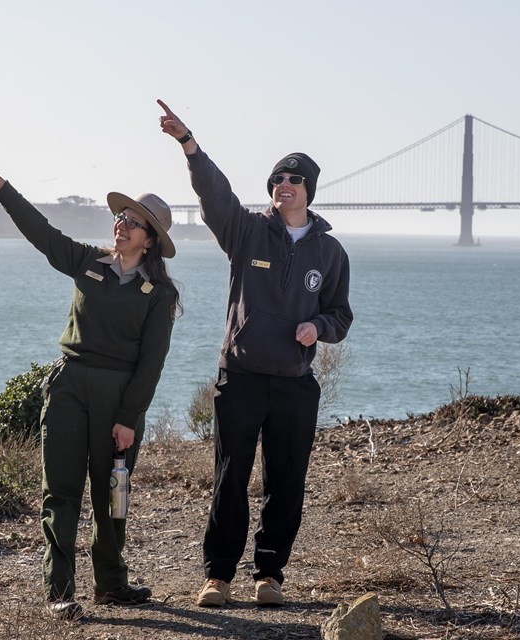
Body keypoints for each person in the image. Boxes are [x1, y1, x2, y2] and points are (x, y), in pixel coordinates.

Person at [0, 140, 180, 620]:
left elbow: (153, 361)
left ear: (150, 239)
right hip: (69, 387)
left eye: (133, 221)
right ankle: (59, 590)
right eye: (120, 217)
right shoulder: (86, 261)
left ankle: (112, 583)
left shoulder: (158, 293)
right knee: (60, 491)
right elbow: (40, 231)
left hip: (119, 396)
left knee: (112, 496)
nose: (121, 224)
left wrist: (128, 418)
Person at [157, 100, 353, 607]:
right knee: (230, 479)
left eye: (293, 178)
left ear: (308, 189)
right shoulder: (246, 231)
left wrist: (319, 327)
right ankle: (217, 577)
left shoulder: (330, 253)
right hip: (240, 377)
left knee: (286, 484)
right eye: (276, 179)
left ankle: (269, 575)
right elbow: (215, 195)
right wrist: (189, 145)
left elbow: (341, 315)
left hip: (293, 384)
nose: (283, 184)